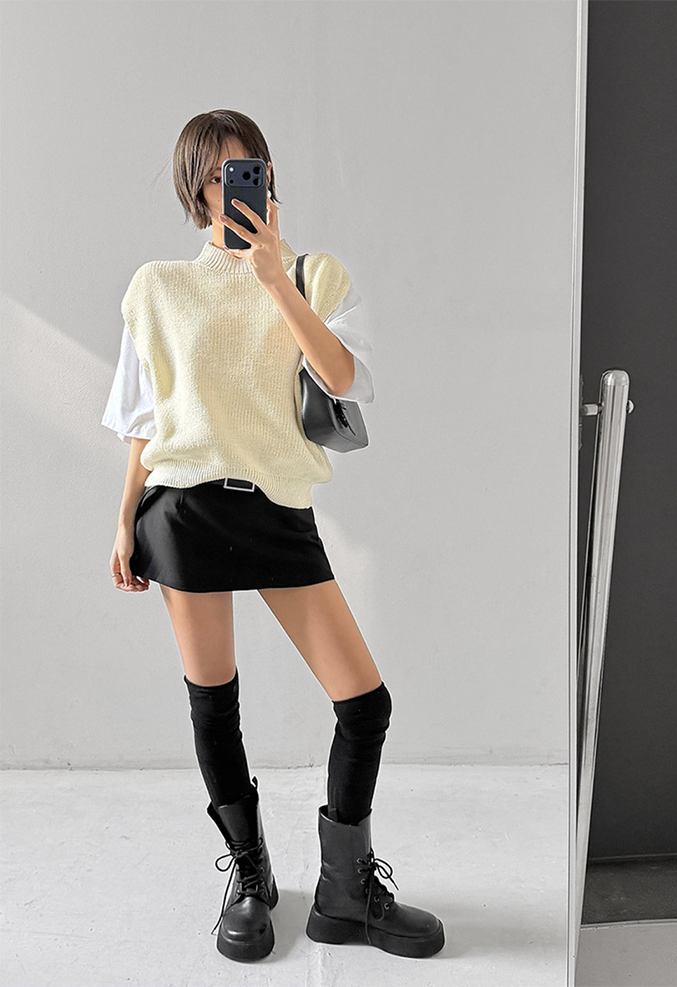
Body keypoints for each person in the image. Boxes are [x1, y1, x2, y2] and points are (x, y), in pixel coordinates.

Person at [101, 109, 444, 962]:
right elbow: (142, 419)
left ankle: (344, 892)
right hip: (183, 509)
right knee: (214, 702)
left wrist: (274, 279)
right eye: (216, 174)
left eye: (245, 168)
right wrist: (122, 521)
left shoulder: (314, 273)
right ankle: (251, 877)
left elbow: (343, 377)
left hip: (277, 507)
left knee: (365, 704)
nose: (233, 186)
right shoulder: (156, 287)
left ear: (266, 174)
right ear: (195, 190)